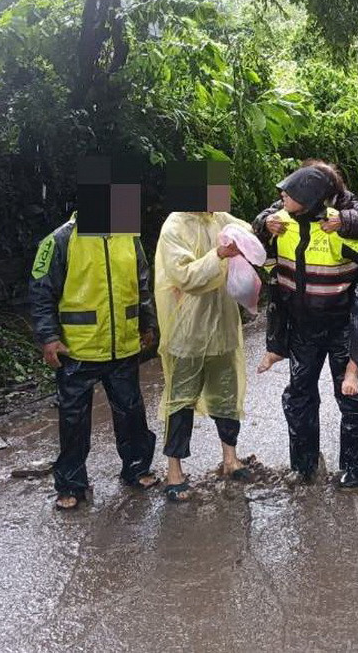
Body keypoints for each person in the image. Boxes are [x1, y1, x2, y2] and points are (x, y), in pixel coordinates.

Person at [257, 165, 358, 489]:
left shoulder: (337, 225)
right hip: (302, 329)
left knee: (353, 399)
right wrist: (267, 245)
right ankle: (304, 466)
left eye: (290, 193)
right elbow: (258, 252)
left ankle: (355, 468)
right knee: (299, 397)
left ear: (309, 200)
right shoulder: (279, 223)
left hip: (342, 329)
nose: (282, 196)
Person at [29, 213, 160, 511]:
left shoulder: (127, 235)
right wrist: (48, 338)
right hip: (78, 348)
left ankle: (137, 468)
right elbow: (41, 291)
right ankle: (71, 484)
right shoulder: (60, 240)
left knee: (131, 411)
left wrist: (147, 324)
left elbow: (141, 282)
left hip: (123, 345)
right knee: (74, 419)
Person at [154, 208, 258, 503]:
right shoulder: (174, 225)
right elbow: (185, 276)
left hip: (222, 325)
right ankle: (174, 471)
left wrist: (267, 226)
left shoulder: (219, 218)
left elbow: (249, 229)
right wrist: (219, 255)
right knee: (181, 399)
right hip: (188, 331)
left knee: (226, 395)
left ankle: (230, 459)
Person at [253, 158, 358, 243]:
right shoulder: (292, 199)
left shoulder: (344, 200)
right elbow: (261, 219)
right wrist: (266, 223)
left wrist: (344, 220)